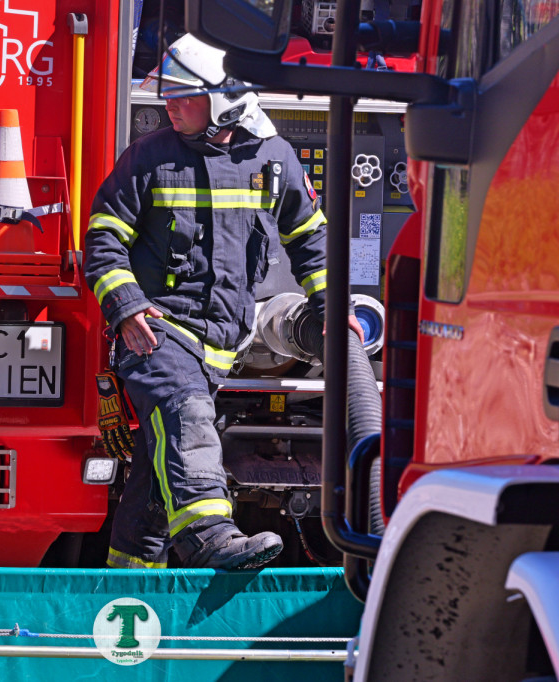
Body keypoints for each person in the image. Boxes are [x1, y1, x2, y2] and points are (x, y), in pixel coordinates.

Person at [84, 34, 365, 570]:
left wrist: (332, 308)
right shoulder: (149, 158)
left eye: (183, 96)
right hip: (157, 333)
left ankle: (128, 582)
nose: (170, 107)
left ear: (226, 101)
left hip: (220, 347)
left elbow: (311, 238)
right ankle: (208, 537)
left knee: (159, 472)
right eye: (167, 96)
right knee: (187, 415)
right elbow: (103, 239)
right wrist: (126, 306)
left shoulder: (274, 160)